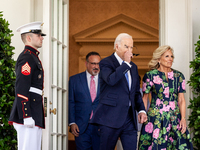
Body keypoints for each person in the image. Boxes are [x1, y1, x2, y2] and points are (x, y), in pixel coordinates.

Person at [90, 33, 147, 150]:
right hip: (110, 118)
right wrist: (125, 64)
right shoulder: (106, 63)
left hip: (129, 119)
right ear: (117, 47)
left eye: (131, 47)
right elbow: (111, 80)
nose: (129, 50)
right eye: (126, 46)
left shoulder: (134, 67)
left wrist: (141, 110)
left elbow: (135, 92)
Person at [138, 45, 193, 149]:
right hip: (155, 119)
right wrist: (143, 113)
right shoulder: (150, 75)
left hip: (174, 118)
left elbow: (181, 100)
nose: (170, 59)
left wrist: (183, 118)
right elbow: (145, 98)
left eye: (172, 56)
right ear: (159, 59)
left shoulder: (179, 76)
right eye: (167, 56)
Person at [8, 22, 46, 150]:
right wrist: (26, 114)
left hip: (33, 109)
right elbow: (22, 87)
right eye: (39, 35)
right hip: (29, 111)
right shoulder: (27, 57)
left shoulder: (32, 56)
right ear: (29, 38)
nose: (42, 38)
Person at [68, 52, 101, 150]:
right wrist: (72, 122)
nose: (96, 66)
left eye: (98, 64)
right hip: (81, 127)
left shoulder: (106, 81)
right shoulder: (74, 80)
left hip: (100, 127)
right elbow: (71, 102)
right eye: (93, 63)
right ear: (86, 64)